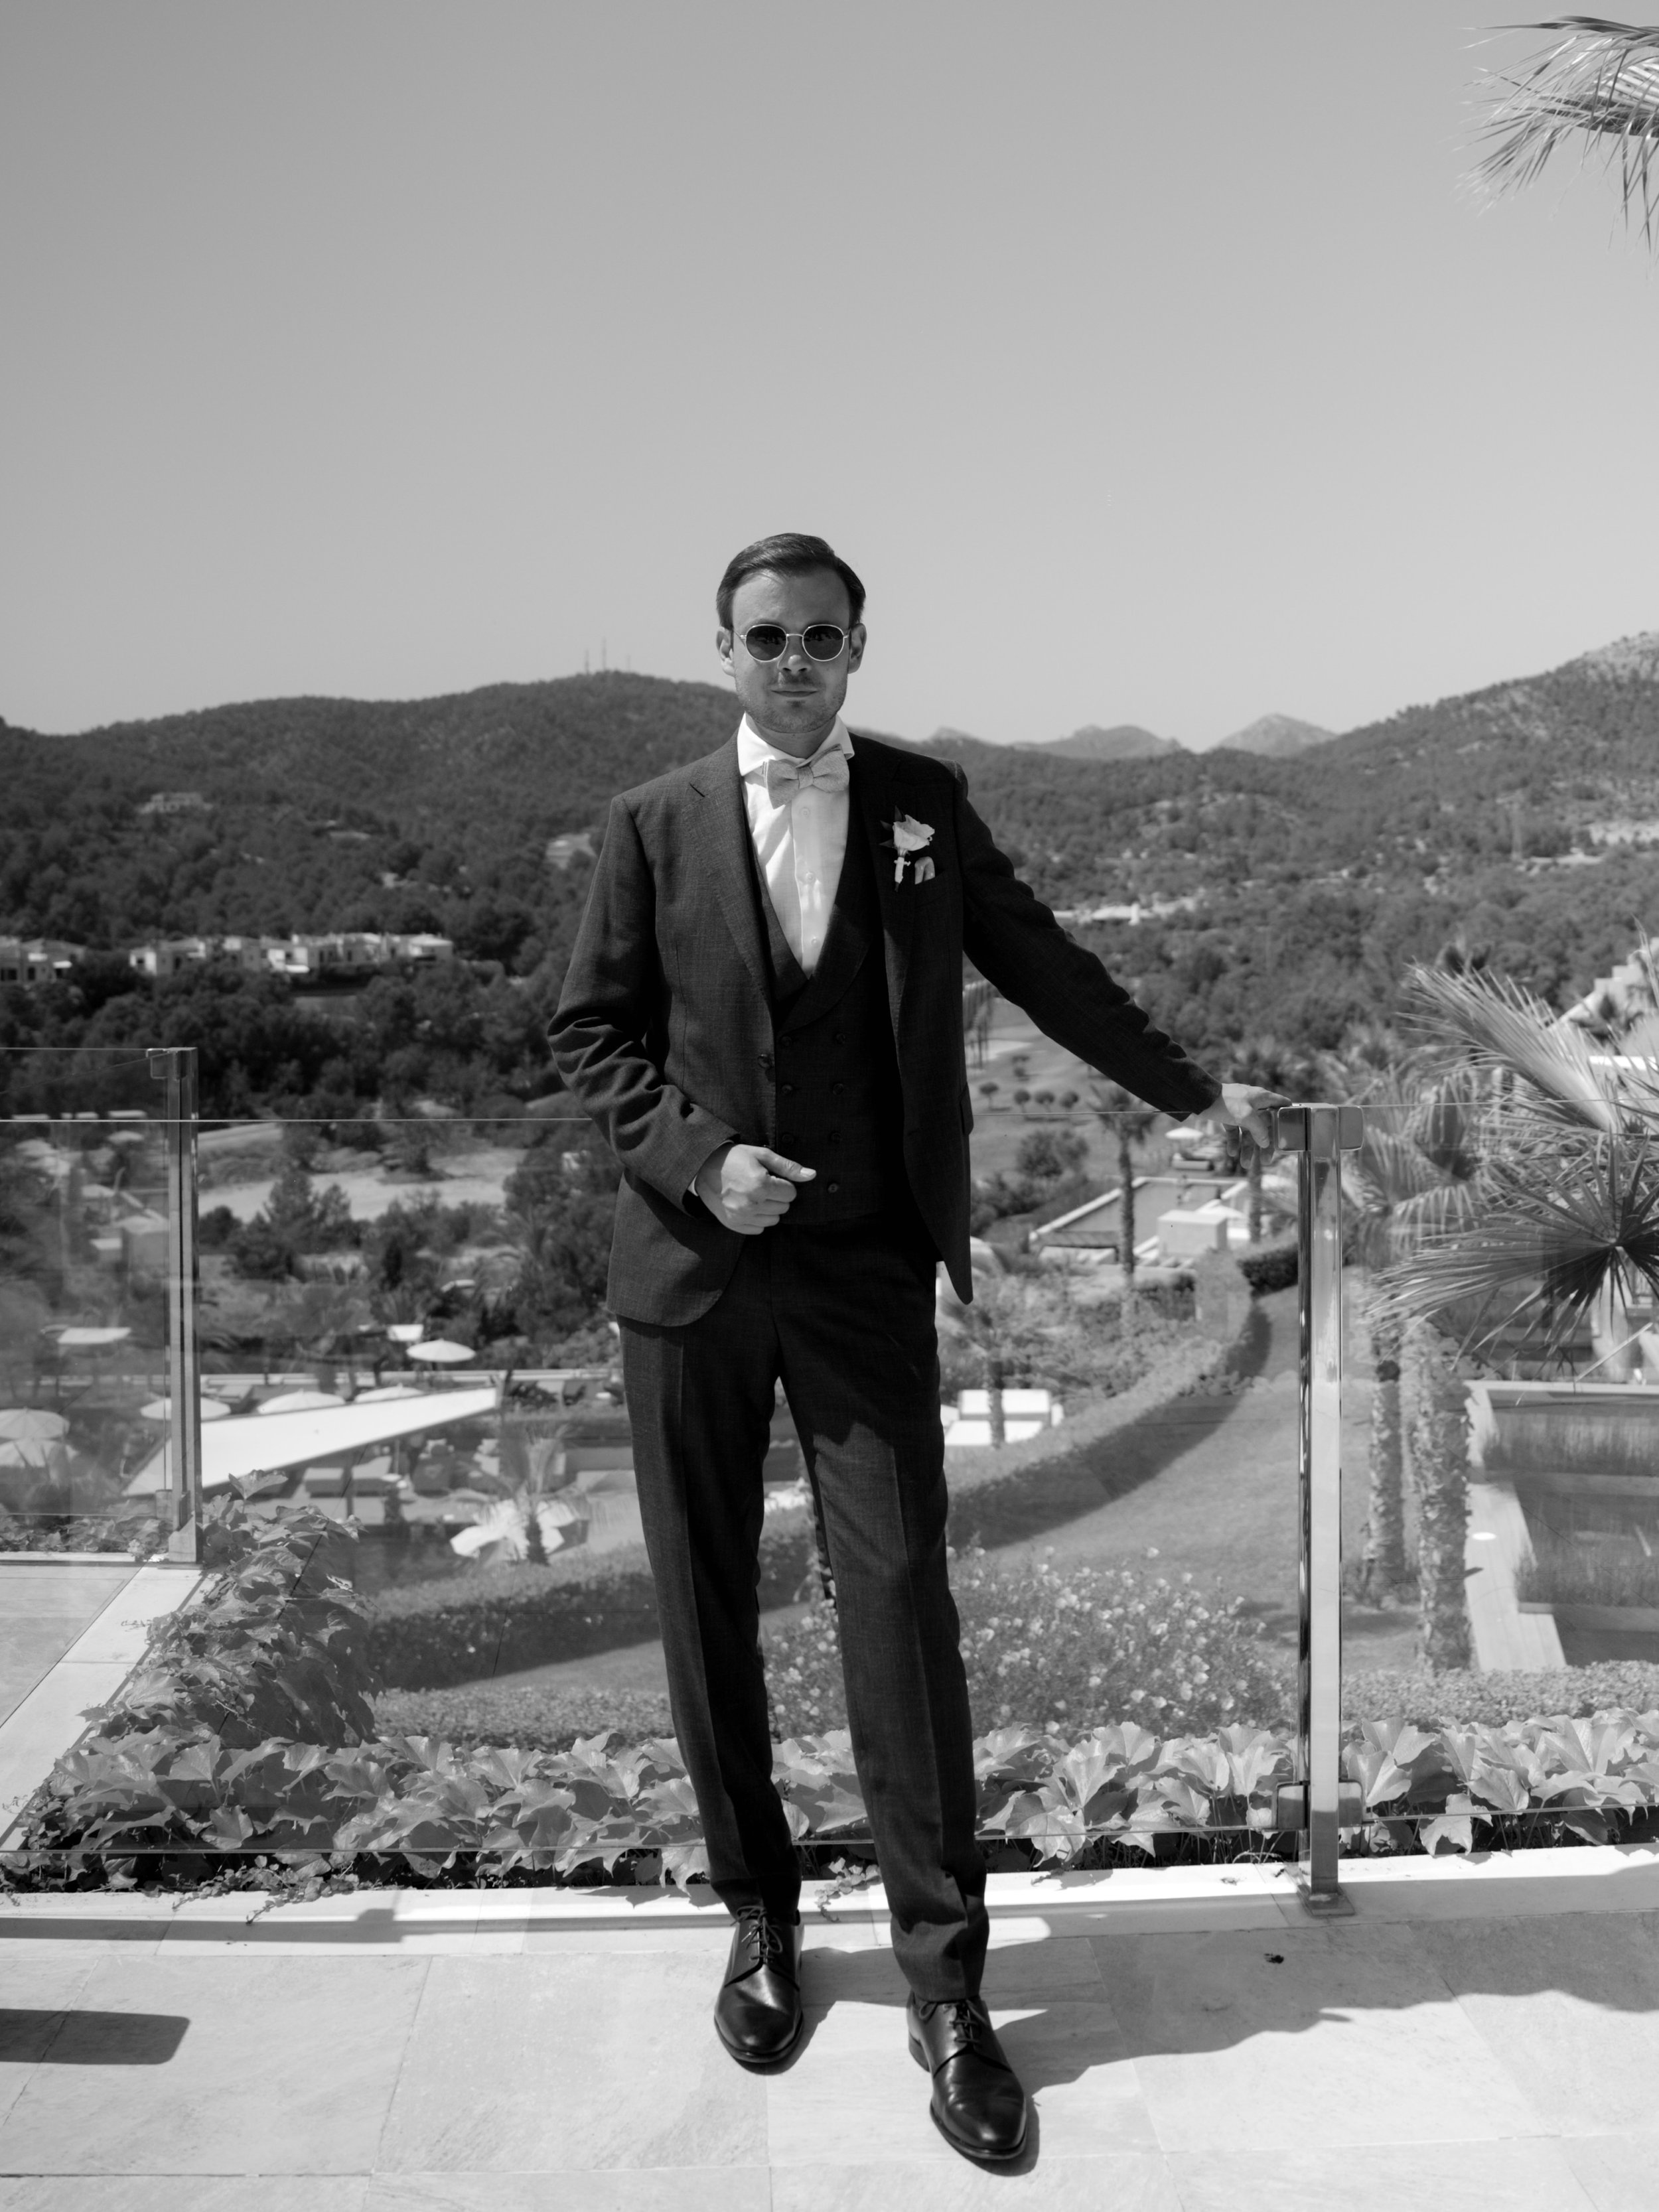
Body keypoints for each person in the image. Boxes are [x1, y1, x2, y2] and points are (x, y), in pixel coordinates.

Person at [549, 532, 1280, 2166]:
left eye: (820, 635)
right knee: (704, 1602)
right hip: (686, 1272)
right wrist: (695, 1157)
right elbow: (585, 1032)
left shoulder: (921, 805)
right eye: (765, 636)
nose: (793, 660)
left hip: (865, 1270)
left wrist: (1190, 1090)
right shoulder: (648, 826)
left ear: (859, 645)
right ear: (721, 648)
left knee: (897, 1602)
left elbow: (1042, 963)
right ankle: (758, 1916)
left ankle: (948, 1989)